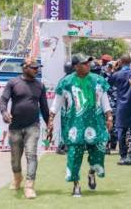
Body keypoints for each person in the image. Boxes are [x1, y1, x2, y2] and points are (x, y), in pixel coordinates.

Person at [49, 54, 113, 197]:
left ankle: (91, 172)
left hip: (95, 124)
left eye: (88, 63)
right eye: (84, 63)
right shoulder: (66, 82)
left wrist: (109, 116)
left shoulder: (98, 81)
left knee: (98, 152)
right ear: (76, 66)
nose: (88, 65)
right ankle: (76, 185)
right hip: (74, 126)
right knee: (74, 155)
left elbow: (104, 101)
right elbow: (57, 102)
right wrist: (51, 119)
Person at [0, 58, 49, 199]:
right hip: (15, 126)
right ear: (25, 67)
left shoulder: (40, 86)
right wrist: (4, 112)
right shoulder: (13, 83)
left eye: (37, 67)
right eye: (34, 67)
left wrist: (49, 124)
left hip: (33, 125)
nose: (36, 69)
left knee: (31, 154)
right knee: (15, 158)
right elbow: (3, 100)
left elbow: (44, 108)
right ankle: (17, 177)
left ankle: (29, 185)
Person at [108, 55, 131, 164]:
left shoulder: (116, 75)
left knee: (121, 130)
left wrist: (114, 70)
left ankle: (123, 155)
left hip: (121, 106)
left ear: (121, 61)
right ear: (130, 62)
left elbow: (107, 84)